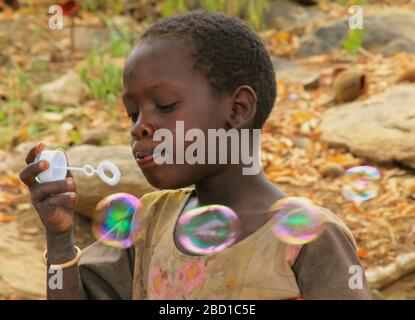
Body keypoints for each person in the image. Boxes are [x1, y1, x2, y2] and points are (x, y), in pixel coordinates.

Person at [19, 10, 371, 300]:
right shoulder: (149, 224)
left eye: (165, 105)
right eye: (133, 113)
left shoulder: (310, 240)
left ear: (238, 109)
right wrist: (60, 238)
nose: (139, 127)